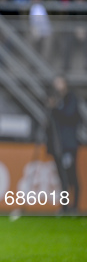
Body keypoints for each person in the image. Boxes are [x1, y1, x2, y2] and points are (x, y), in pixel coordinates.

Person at [46, 76, 82, 213]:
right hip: (57, 145)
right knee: (62, 178)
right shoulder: (56, 101)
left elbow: (70, 115)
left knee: (71, 176)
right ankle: (65, 206)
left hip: (69, 145)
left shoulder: (71, 99)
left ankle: (75, 205)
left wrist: (56, 108)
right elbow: (49, 124)